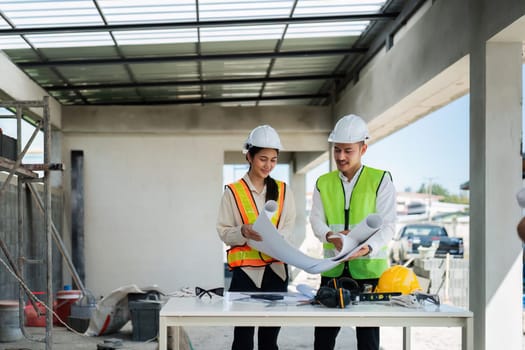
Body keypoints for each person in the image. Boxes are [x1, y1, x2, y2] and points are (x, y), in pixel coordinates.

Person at [310, 114, 397, 350]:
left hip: (368, 272)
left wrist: (366, 247)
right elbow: (316, 219)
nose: (341, 156)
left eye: (348, 151)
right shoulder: (323, 182)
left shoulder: (380, 180)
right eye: (337, 149)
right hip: (332, 271)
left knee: (368, 342)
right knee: (323, 341)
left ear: (363, 148)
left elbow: (389, 225)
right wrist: (331, 236)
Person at [216, 125, 296, 350]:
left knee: (269, 341)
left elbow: (289, 225)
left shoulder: (283, 190)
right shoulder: (232, 192)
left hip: (276, 273)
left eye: (273, 159)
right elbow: (223, 231)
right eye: (263, 159)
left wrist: (276, 239)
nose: (268, 165)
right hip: (245, 274)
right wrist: (241, 231)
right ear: (249, 156)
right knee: (242, 340)